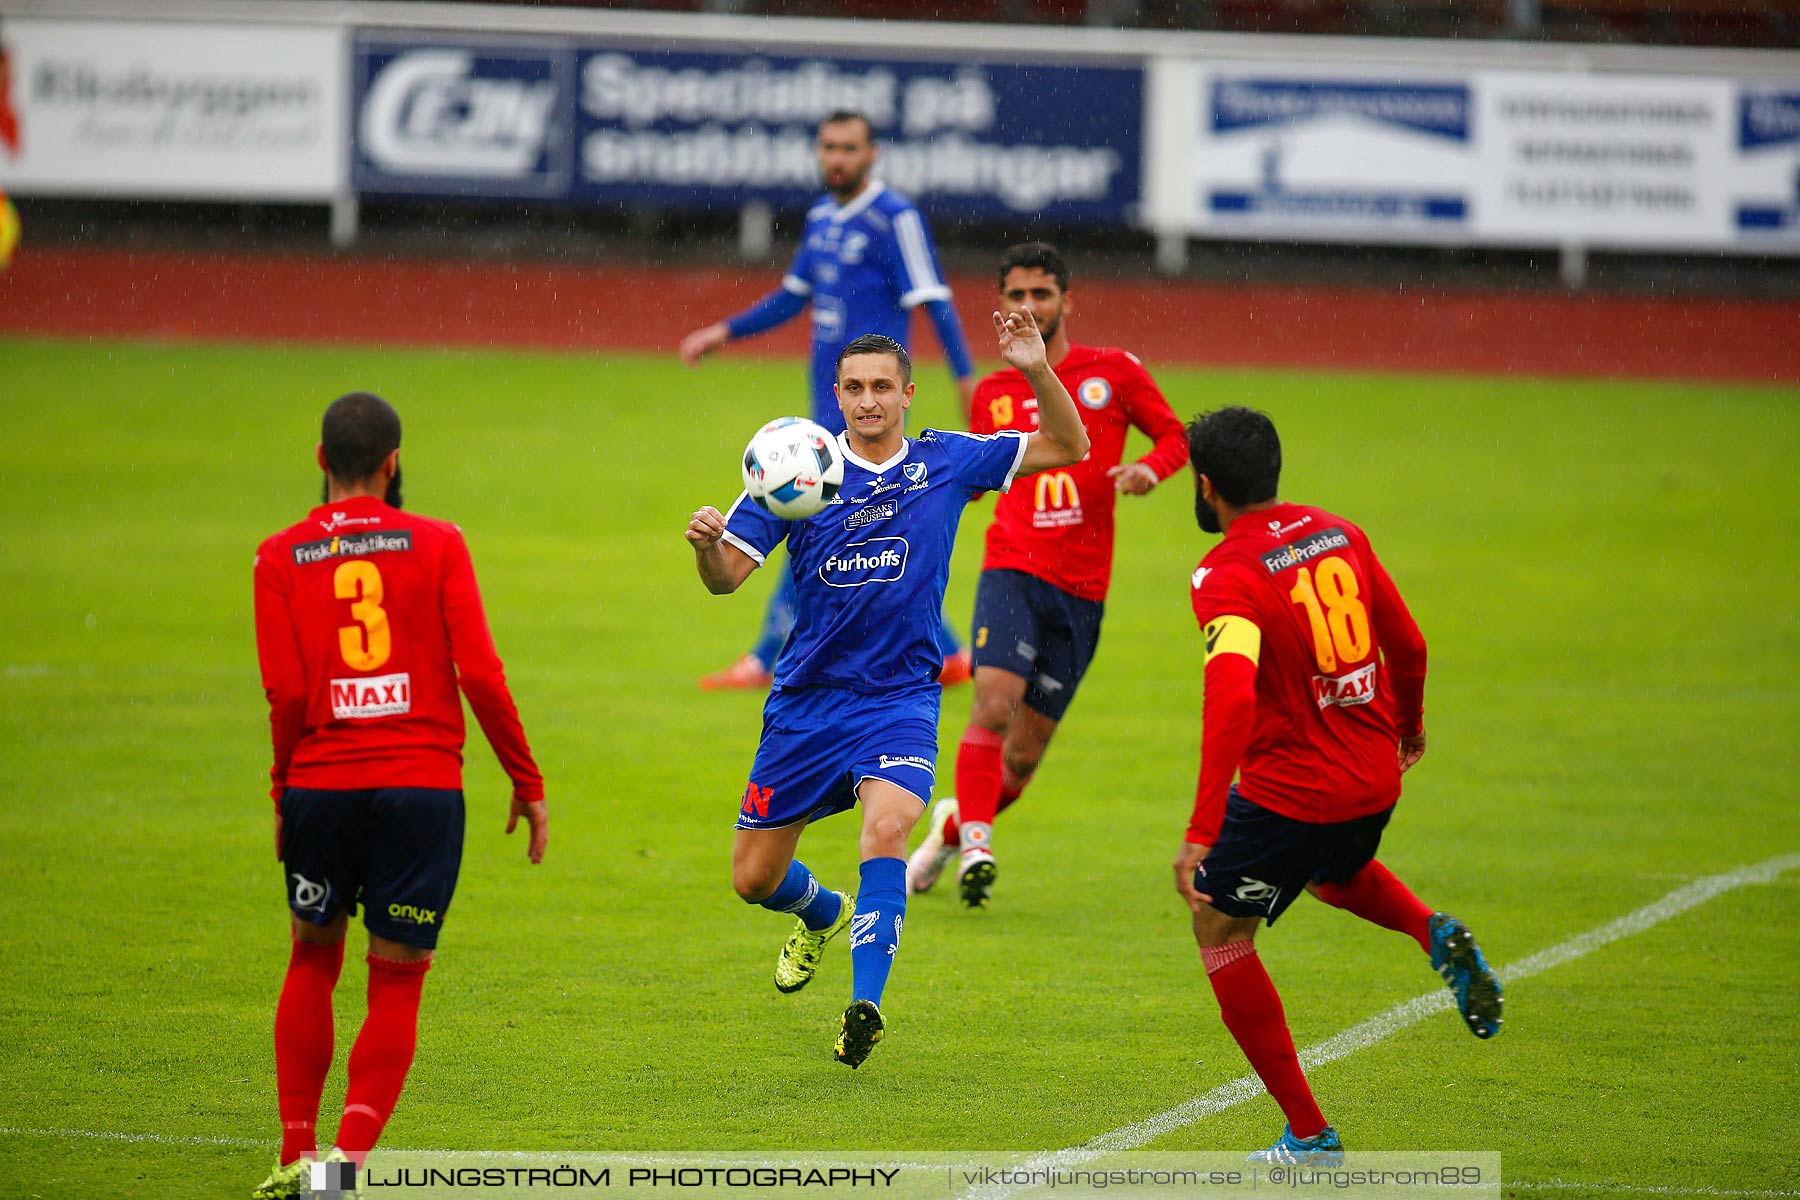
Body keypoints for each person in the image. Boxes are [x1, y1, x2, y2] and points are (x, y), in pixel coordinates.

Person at [684, 317, 1086, 1068]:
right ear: (835, 396)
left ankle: (865, 1003)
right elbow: (727, 579)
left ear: (907, 394)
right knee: (753, 877)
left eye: (881, 388)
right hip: (805, 703)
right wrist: (709, 546)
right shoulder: (794, 468)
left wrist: (1035, 369)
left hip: (899, 698)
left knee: (889, 830)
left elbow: (1071, 446)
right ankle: (821, 911)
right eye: (854, 389)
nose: (868, 402)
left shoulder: (948, 461)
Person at [1173, 406, 1502, 1164]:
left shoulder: (1225, 574)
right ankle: (1431, 930)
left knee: (1220, 931)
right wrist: (1409, 727)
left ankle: (1310, 1136)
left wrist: (1200, 831)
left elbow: (1229, 697)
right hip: (1374, 776)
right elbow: (1408, 641)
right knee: (1333, 871)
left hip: (1292, 792)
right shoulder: (1339, 532)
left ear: (1207, 484)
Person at [251, 393, 547, 1197]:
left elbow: (283, 693)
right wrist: (526, 779)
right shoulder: (438, 543)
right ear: (393, 464)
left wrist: (285, 790)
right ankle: (342, 1169)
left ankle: (291, 1153)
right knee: (397, 976)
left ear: (320, 461)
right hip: (420, 788)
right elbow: (481, 673)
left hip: (321, 782)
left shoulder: (278, 556)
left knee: (312, 957)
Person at [904, 243, 1190, 907]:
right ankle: (978, 842)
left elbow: (1176, 435)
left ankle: (951, 827)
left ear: (1067, 300)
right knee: (993, 702)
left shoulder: (1114, 373)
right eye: (1016, 296)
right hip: (1011, 569)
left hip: (1083, 590)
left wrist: (1153, 470)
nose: (1028, 307)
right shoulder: (993, 393)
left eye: (1041, 295)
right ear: (1001, 304)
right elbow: (974, 484)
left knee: (1024, 758)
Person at [680, 109, 978, 692]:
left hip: (870, 417)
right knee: (846, 537)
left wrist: (968, 380)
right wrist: (726, 332)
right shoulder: (820, 217)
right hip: (823, 415)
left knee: (813, 527)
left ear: (872, 155)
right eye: (828, 148)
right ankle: (951, 653)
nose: (836, 159)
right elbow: (793, 296)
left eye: (848, 148)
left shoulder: (896, 218)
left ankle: (767, 657)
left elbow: (934, 298)